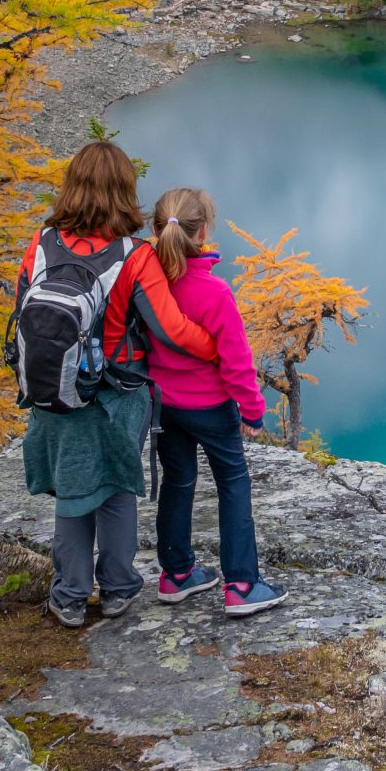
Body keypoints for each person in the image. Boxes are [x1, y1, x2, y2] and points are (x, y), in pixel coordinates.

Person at [16, 141, 218, 628]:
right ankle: (118, 587)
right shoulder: (134, 256)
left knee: (72, 491)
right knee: (115, 490)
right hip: (113, 393)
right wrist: (217, 347)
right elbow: (170, 328)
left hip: (54, 391)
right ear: (125, 192)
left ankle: (68, 594)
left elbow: (29, 317)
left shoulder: (40, 244)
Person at [145, 187, 287, 617]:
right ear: (203, 231)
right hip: (209, 407)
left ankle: (177, 574)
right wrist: (253, 412)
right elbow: (236, 360)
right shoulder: (214, 292)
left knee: (179, 480)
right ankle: (242, 584)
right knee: (233, 482)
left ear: (157, 230)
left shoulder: (148, 284)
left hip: (162, 404)